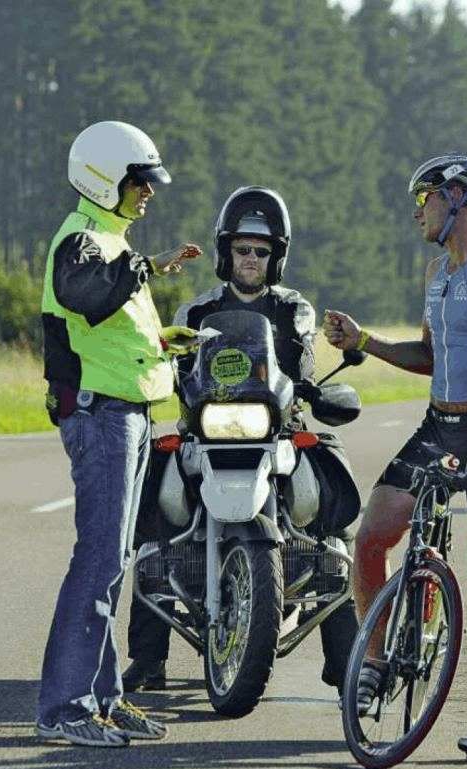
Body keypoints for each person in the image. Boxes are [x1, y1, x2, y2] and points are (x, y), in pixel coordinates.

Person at [324, 154, 467, 762]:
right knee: (370, 537)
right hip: (439, 425)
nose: (416, 211)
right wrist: (364, 342)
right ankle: (375, 662)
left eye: (423, 199)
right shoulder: (434, 273)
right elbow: (429, 359)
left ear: (455, 196)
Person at [121, 186, 360, 695]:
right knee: (153, 513)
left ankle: (346, 663)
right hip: (206, 431)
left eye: (261, 251)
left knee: (332, 517)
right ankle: (147, 659)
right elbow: (177, 367)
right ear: (225, 251)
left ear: (276, 257)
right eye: (242, 249)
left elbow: (298, 364)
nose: (250, 258)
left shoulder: (294, 308)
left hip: (274, 430)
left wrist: (312, 392)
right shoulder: (196, 309)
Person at [36, 120, 201, 748]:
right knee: (99, 558)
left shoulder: (105, 236)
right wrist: (139, 268)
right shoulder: (83, 240)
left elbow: (107, 330)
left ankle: (103, 698)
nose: (149, 192)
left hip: (127, 409)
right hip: (100, 414)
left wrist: (162, 343)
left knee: (114, 560)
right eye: (141, 181)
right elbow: (85, 296)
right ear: (106, 180)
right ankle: (65, 709)